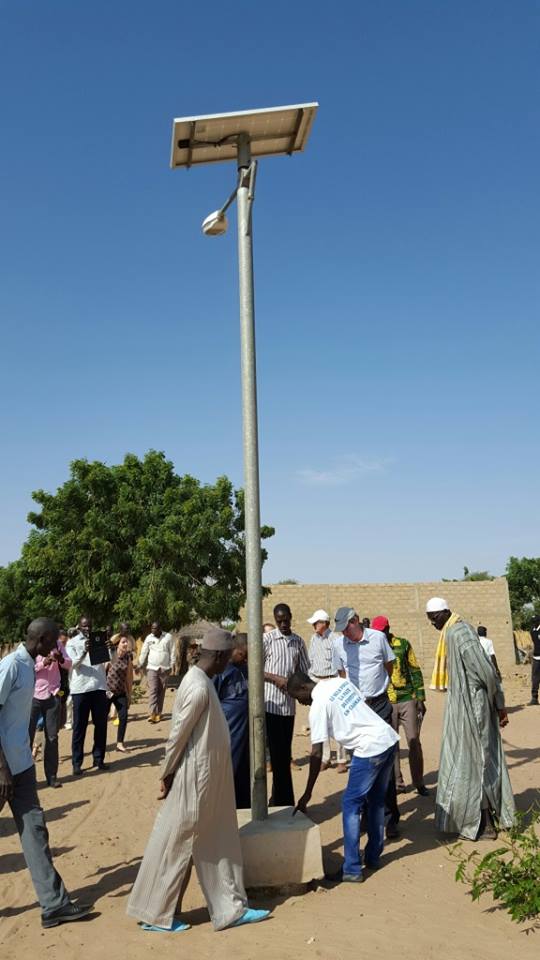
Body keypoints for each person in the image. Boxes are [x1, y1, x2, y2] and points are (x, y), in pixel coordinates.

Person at [126, 627, 269, 933]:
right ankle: (154, 913)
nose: (228, 665)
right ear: (217, 656)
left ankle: (230, 909)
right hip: (196, 777)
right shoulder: (198, 687)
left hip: (209, 776)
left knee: (218, 842)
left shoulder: (201, 680)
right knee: (178, 841)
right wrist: (167, 772)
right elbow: (178, 735)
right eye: (227, 659)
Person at [0, 618, 91, 928]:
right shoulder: (11, 665)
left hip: (22, 765)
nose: (57, 646)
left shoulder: (31, 664)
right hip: (2, 768)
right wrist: (2, 769)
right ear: (41, 639)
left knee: (35, 831)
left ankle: (54, 905)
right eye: (54, 640)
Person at [288, 671, 399, 883]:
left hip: (369, 749)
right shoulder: (339, 682)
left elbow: (317, 753)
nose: (300, 703)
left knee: (350, 804)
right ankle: (373, 857)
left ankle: (351, 868)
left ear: (303, 688)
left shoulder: (319, 704)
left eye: (298, 697)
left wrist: (307, 793)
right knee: (375, 802)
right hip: (387, 740)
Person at [426, 597, 515, 840]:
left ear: (445, 613)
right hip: (462, 707)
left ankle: (485, 824)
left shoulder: (460, 632)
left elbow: (485, 672)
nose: (433, 624)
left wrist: (498, 704)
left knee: (479, 761)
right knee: (465, 759)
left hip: (474, 708)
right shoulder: (452, 632)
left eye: (434, 618)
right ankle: (474, 819)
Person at [332, 607, 400, 837]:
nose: (345, 634)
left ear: (356, 621)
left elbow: (389, 666)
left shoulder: (378, 638)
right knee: (360, 764)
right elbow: (342, 675)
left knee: (385, 763)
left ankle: (390, 818)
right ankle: (365, 816)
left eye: (347, 628)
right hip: (356, 710)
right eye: (341, 631)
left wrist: (378, 690)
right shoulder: (338, 645)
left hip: (379, 706)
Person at [371, 615, 428, 796]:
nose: (379, 635)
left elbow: (414, 669)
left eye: (382, 631)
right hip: (386, 700)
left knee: (414, 741)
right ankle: (397, 783)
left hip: (406, 699)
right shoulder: (372, 648)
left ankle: (419, 782)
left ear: (388, 629)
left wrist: (420, 697)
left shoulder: (403, 644)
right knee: (392, 744)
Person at [263, 604, 310, 806]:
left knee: (284, 754)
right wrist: (276, 679)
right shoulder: (267, 639)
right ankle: (283, 800)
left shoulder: (298, 642)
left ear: (291, 617)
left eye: (285, 620)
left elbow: (303, 672)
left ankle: (279, 799)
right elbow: (254, 667)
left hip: (288, 707)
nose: (282, 624)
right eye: (279, 621)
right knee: (276, 755)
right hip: (269, 704)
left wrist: (303, 692)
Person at [65, 616, 110, 776]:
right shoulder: (72, 643)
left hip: (98, 687)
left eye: (89, 626)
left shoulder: (99, 639)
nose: (87, 629)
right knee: (79, 727)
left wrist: (109, 648)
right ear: (79, 627)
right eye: (84, 626)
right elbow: (73, 665)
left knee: (101, 725)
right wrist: (84, 650)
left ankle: (99, 759)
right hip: (80, 690)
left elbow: (110, 660)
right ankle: (77, 763)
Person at [29, 627, 72, 788]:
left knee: (52, 737)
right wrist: (43, 663)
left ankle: (52, 776)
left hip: (53, 694)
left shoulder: (59, 645)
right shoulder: (35, 647)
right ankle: (25, 779)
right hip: (34, 695)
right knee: (28, 737)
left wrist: (61, 659)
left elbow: (69, 664)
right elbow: (29, 668)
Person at [306, 609, 347, 773]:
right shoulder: (313, 639)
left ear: (325, 623)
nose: (314, 625)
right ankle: (325, 758)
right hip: (317, 681)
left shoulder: (336, 639)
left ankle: (342, 759)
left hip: (333, 681)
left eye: (317, 622)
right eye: (314, 623)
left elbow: (342, 663)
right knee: (319, 721)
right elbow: (311, 660)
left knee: (338, 721)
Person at [214, 632, 250, 808]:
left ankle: (245, 807)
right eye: (243, 654)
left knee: (245, 773)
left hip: (245, 734)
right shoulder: (220, 672)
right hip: (228, 734)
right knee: (229, 773)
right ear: (233, 650)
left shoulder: (245, 669)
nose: (245, 659)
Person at [138, 621, 176, 723]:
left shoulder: (168, 637)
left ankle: (159, 713)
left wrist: (172, 665)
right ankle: (152, 713)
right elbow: (144, 651)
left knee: (161, 691)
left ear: (160, 628)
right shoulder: (149, 638)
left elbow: (172, 651)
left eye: (155, 628)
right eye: (152, 628)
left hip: (165, 668)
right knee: (153, 690)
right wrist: (140, 664)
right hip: (152, 667)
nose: (153, 630)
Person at [106, 635, 133, 752]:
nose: (126, 644)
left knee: (123, 716)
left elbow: (128, 677)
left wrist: (129, 694)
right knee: (102, 719)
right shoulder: (110, 655)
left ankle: (119, 743)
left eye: (126, 642)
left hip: (120, 692)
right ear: (117, 644)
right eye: (123, 642)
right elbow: (103, 673)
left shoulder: (128, 658)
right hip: (107, 692)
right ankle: (100, 745)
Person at [528, 615, 540, 705]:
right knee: (535, 678)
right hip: (536, 658)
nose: (533, 624)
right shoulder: (532, 630)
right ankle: (534, 698)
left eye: (535, 622)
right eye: (532, 622)